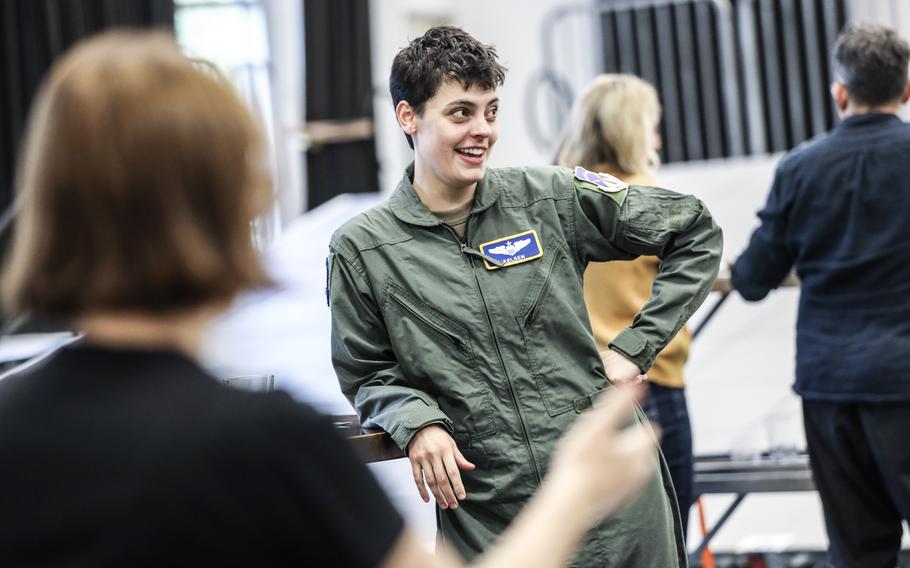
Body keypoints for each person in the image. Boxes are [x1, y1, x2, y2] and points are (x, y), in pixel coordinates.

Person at [0, 30, 665, 568]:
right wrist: (575, 492)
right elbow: (368, 370)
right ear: (238, 203)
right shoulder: (267, 444)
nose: (480, 130)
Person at [328, 26, 723, 565]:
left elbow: (692, 229)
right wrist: (416, 421)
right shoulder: (363, 250)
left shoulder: (548, 198)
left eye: (491, 111)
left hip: (619, 510)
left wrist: (636, 347)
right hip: (495, 515)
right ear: (408, 117)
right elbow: (369, 372)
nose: (482, 130)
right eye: (460, 113)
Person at [731, 23, 910, 568]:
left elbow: (754, 279)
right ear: (906, 91)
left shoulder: (800, 169)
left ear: (839, 93)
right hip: (904, 379)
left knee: (857, 550)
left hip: (830, 386)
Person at [556, 73, 695, 537]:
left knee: (600, 543)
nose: (656, 137)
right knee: (665, 538)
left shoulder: (555, 198)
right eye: (651, 125)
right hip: (647, 386)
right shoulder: (647, 202)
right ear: (632, 129)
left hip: (577, 393)